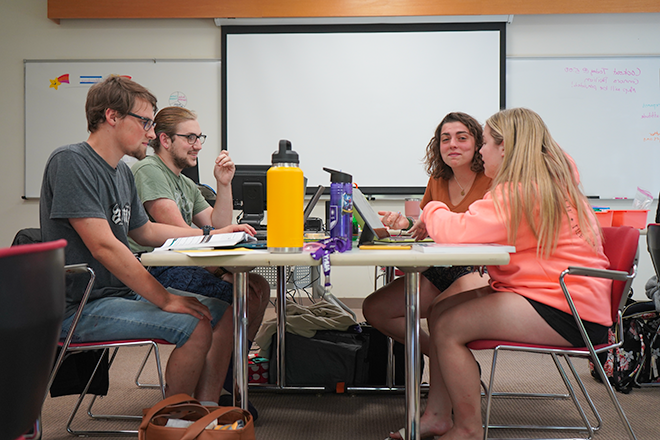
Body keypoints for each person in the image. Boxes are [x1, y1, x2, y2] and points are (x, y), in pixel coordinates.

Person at [386, 107, 612, 440]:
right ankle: (437, 416)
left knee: (448, 325)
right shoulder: (545, 181)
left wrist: (431, 208)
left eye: (486, 143)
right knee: (440, 310)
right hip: (563, 297)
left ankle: (467, 429)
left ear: (506, 147)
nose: (480, 151)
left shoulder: (521, 191)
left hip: (567, 310)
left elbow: (460, 230)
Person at [40, 76, 244, 404]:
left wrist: (210, 234)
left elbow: (145, 232)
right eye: (145, 121)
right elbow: (103, 246)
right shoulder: (71, 162)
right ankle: (174, 422)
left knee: (217, 310)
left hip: (117, 292)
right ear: (112, 116)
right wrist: (164, 299)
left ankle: (205, 410)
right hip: (79, 306)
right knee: (194, 324)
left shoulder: (121, 172)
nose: (151, 134)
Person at [130, 106, 270, 344]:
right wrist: (218, 269)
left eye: (199, 138)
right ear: (165, 139)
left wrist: (224, 184)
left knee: (259, 287)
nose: (198, 145)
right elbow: (181, 235)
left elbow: (217, 225)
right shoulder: (148, 170)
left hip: (181, 264)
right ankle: (230, 374)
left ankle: (237, 371)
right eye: (190, 138)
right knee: (242, 294)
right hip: (154, 270)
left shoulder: (185, 183)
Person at [362, 112, 492, 356]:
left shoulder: (492, 178)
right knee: (375, 308)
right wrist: (405, 223)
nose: (452, 144)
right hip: (440, 268)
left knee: (440, 312)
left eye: (461, 137)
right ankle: (444, 357)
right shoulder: (438, 178)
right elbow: (425, 225)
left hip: (479, 268)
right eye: (445, 139)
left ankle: (450, 362)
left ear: (478, 144)